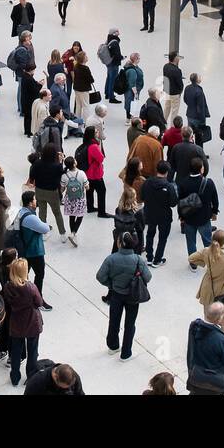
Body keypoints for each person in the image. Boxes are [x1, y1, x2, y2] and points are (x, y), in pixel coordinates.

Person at [97, 232, 151, 360]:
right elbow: (148, 277)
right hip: (133, 296)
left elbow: (100, 276)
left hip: (116, 294)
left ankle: (113, 346)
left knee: (114, 321)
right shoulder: (138, 259)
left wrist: (111, 284)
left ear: (120, 243)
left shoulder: (111, 259)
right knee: (130, 324)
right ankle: (126, 353)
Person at [3, 258, 46, 387]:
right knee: (32, 350)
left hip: (16, 322)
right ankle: (31, 376)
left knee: (16, 351)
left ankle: (15, 377)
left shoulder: (8, 286)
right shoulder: (31, 287)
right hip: (32, 322)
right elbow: (39, 302)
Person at [189, 228, 224, 333]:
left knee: (208, 316)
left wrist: (203, 263)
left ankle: (208, 335)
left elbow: (191, 258)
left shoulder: (206, 251)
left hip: (207, 287)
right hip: (222, 289)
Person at [187, 302, 224, 394]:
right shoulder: (222, 341)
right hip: (215, 383)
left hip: (197, 378)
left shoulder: (195, 327)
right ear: (219, 319)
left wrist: (222, 334)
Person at [177, 157, 218, 264]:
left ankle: (193, 262)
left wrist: (181, 217)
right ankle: (210, 261)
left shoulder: (183, 183)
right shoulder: (208, 183)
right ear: (201, 169)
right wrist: (214, 212)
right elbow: (215, 199)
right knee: (208, 241)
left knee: (191, 242)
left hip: (189, 218)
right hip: (204, 217)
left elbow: (180, 202)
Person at [140, 162, 178, 266]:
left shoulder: (147, 182)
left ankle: (149, 257)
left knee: (150, 234)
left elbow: (142, 197)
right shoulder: (169, 186)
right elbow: (173, 203)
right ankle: (157, 259)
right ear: (167, 172)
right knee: (162, 238)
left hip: (150, 214)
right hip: (164, 216)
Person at [61, 148, 88, 246]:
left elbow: (62, 189)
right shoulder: (81, 173)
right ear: (74, 164)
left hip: (70, 199)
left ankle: (72, 233)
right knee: (80, 215)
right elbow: (87, 186)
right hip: (80, 198)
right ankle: (73, 233)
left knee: (72, 216)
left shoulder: (64, 176)